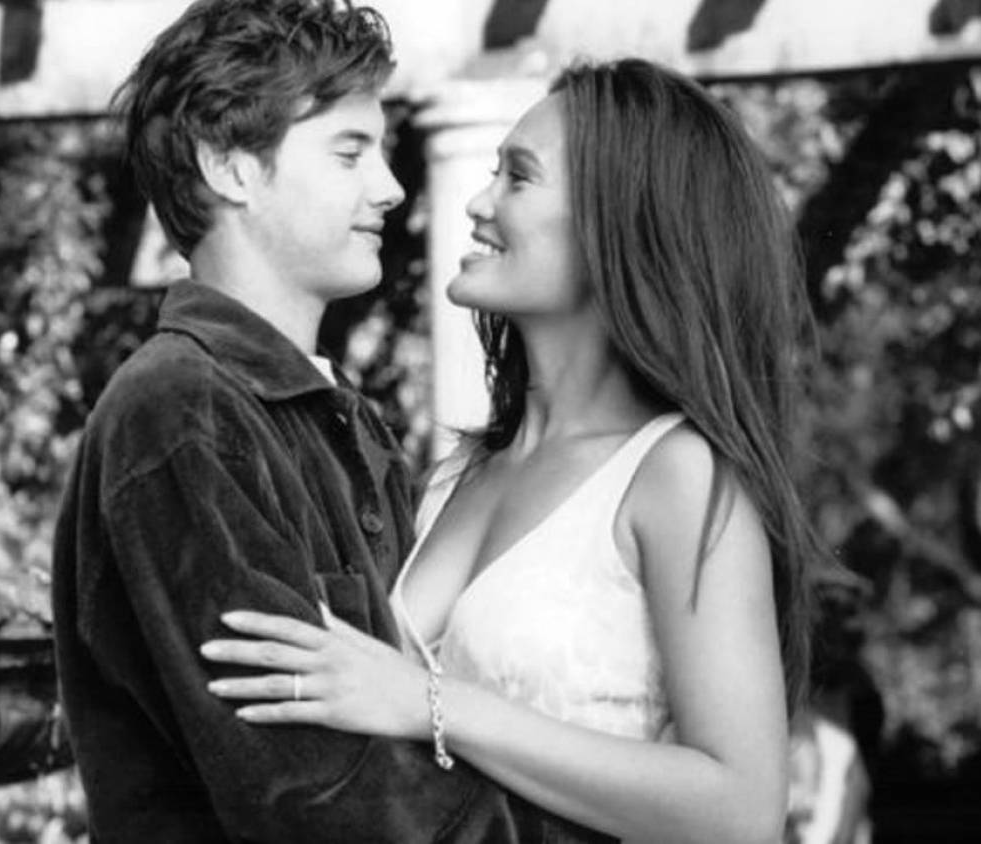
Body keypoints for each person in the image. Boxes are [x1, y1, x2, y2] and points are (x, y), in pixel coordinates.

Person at [201, 58, 822, 844]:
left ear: (616, 223)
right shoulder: (454, 476)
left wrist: (427, 703)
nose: (478, 202)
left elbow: (742, 809)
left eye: (518, 178)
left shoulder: (677, 476)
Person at [51, 1, 609, 840]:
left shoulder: (334, 416)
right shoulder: (180, 413)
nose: (389, 187)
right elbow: (315, 795)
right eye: (349, 153)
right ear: (230, 168)